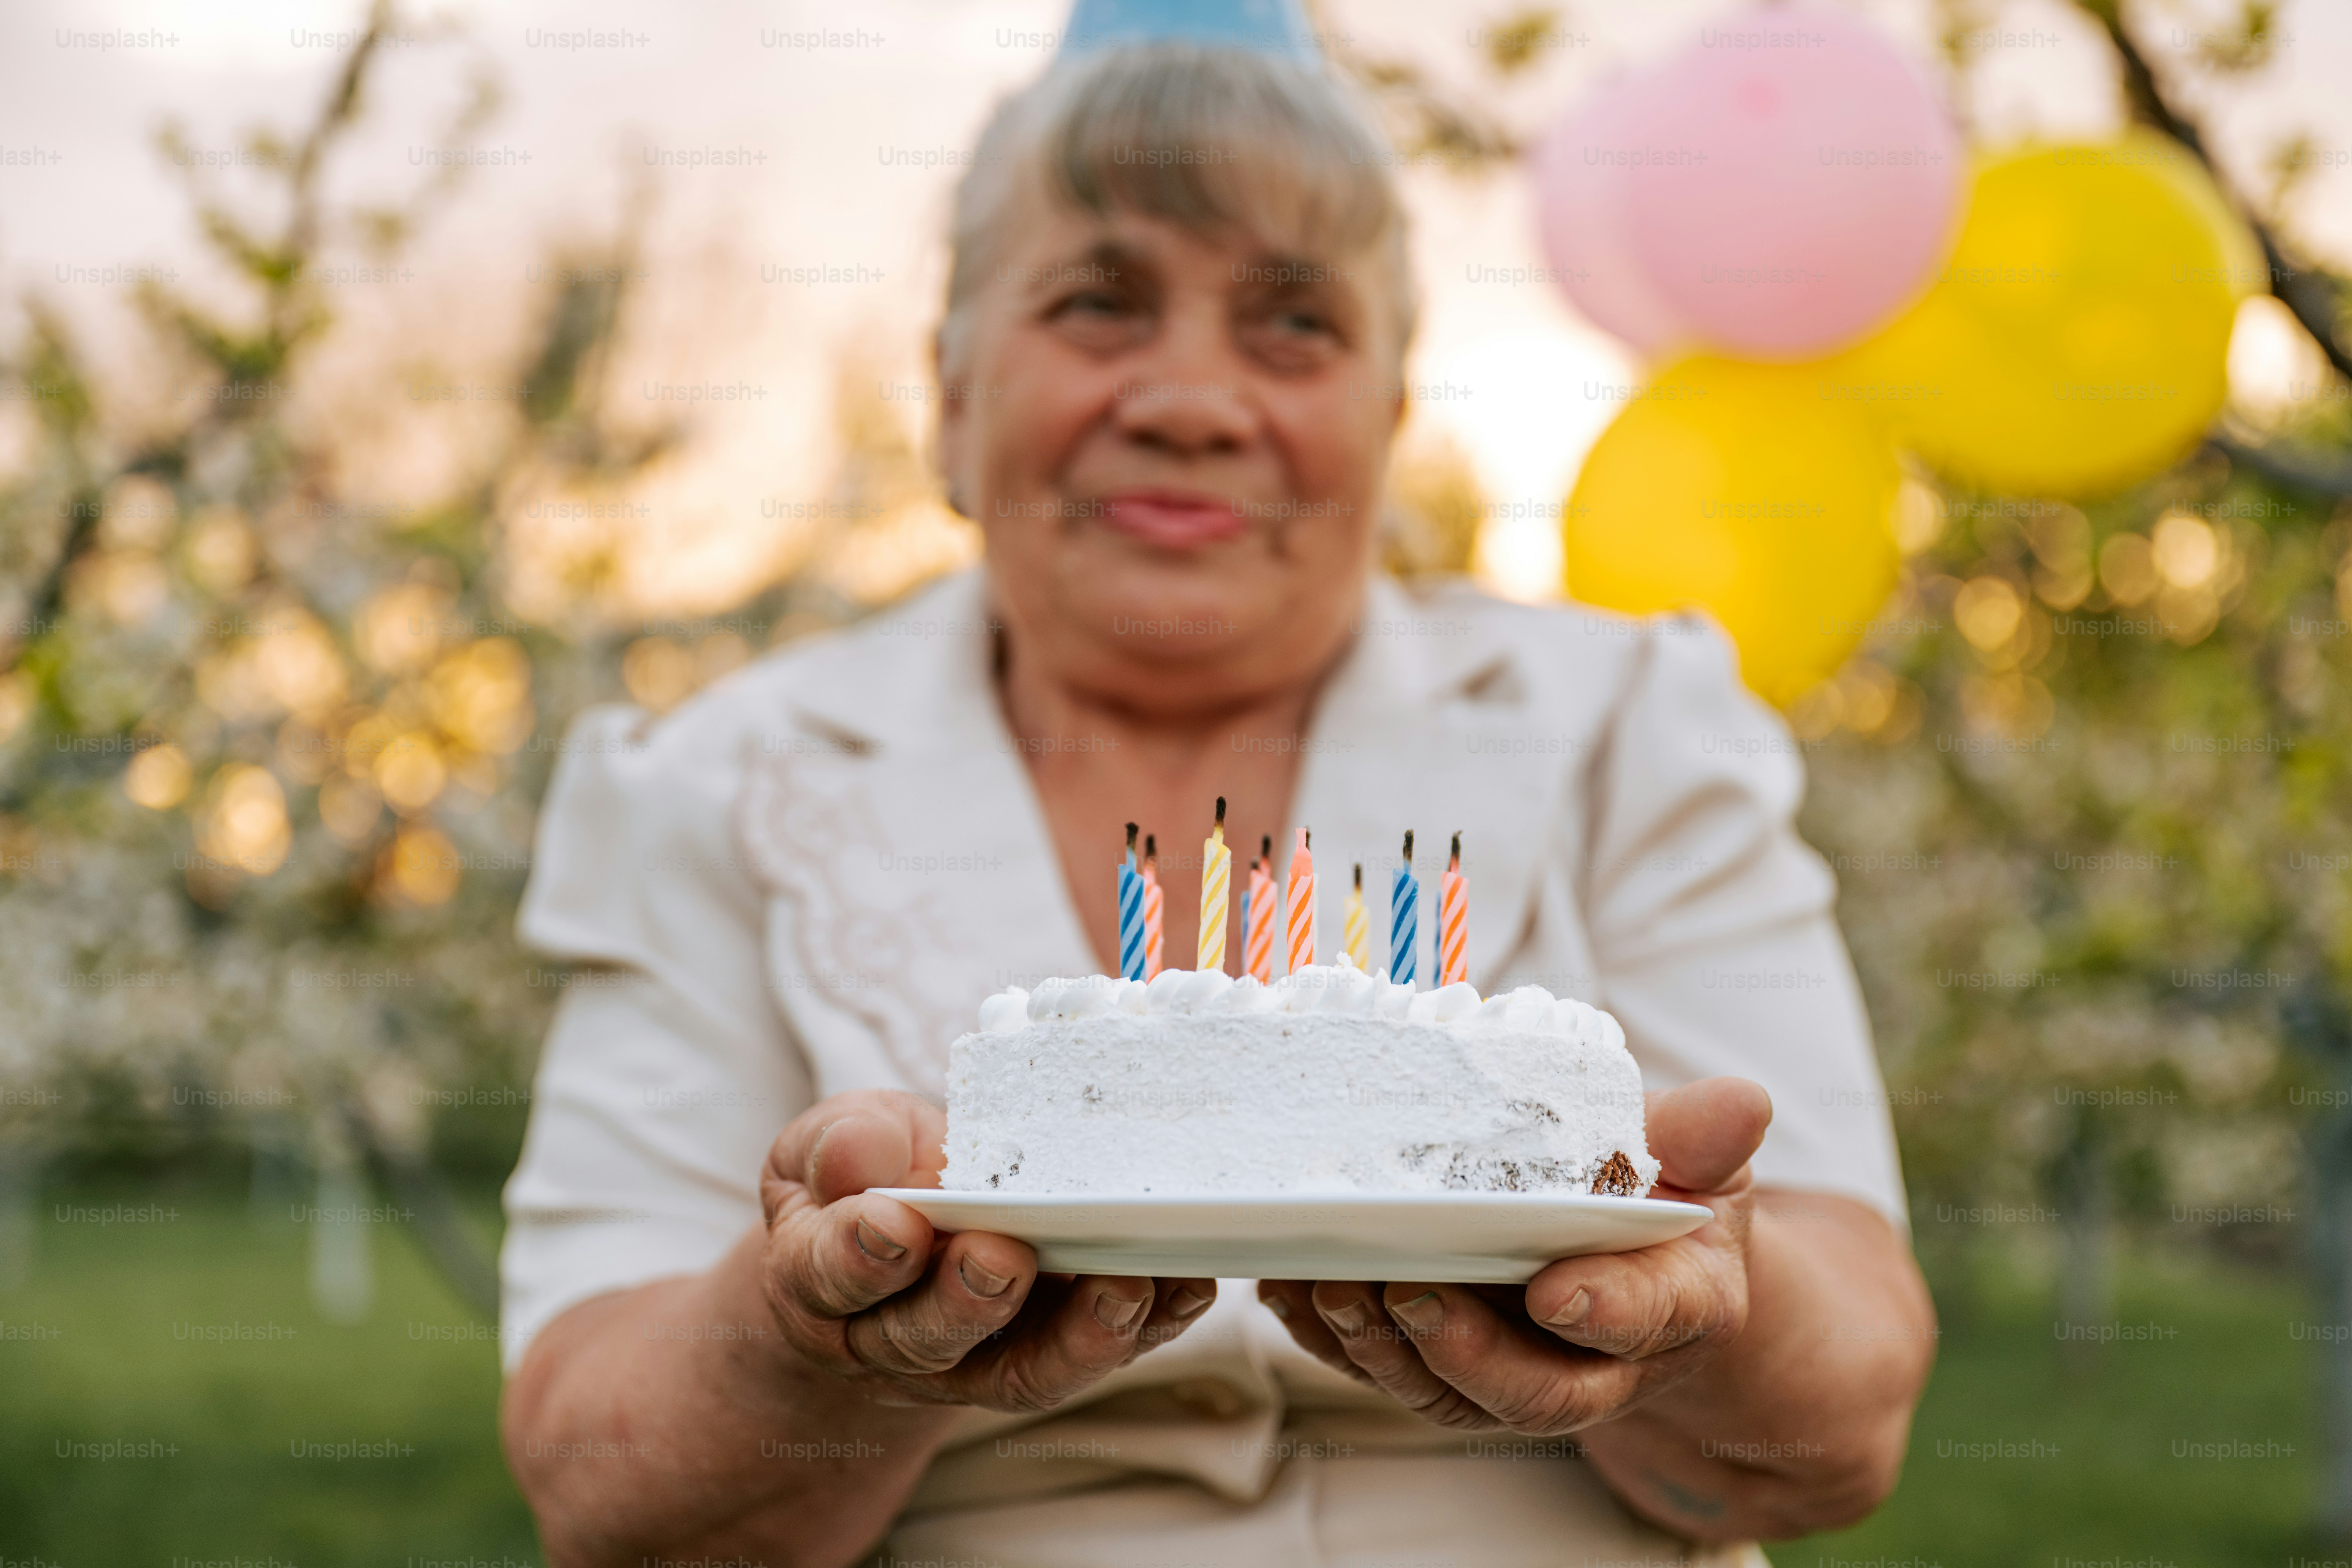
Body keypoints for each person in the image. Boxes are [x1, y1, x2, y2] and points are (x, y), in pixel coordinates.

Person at [496, 27, 1933, 1568]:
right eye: (1097, 301)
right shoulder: (716, 783)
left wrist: (1695, 1306)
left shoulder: (1626, 728)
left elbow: (1836, 1434)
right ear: (952, 400)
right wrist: (812, 1337)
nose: (1189, 398)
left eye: (1294, 324)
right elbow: (601, 1486)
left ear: (1385, 425)